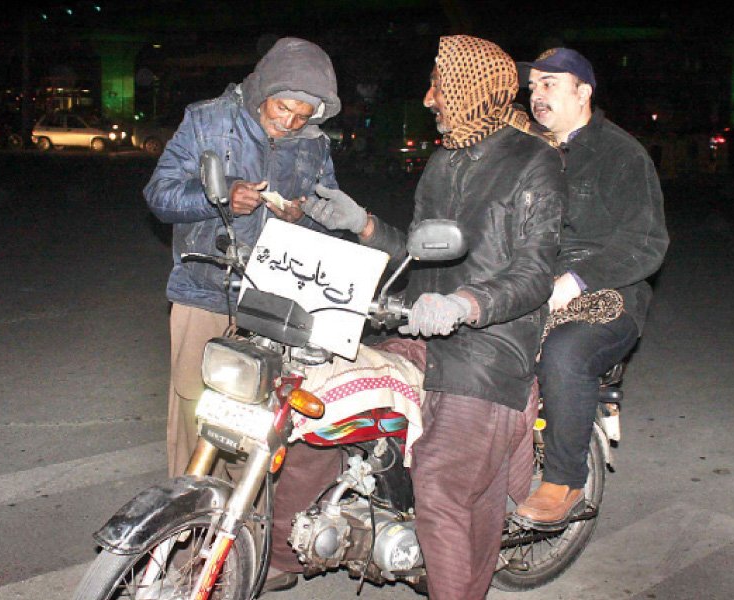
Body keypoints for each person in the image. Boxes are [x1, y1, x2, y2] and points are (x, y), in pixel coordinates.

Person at [266, 35, 567, 599]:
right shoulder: (443, 162)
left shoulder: (535, 162)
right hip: (421, 336)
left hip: (488, 353)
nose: (430, 99)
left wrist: (466, 305)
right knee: (310, 412)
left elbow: (532, 274)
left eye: (439, 86)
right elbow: (420, 256)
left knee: (443, 488)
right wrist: (362, 225)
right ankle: (286, 555)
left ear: (470, 90)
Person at [143, 37, 342, 478]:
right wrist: (219, 198)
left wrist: (304, 215)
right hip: (204, 291)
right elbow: (159, 195)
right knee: (196, 413)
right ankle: (186, 524)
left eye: (301, 116)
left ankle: (241, 531)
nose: (288, 123)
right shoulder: (207, 121)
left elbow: (328, 216)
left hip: (271, 302)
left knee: (258, 422)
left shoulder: (314, 144)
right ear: (263, 92)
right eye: (281, 109)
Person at [514, 48, 669, 527]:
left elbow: (647, 242)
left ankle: (564, 481)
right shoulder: (527, 149)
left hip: (610, 295)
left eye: (551, 84)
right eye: (534, 85)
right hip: (532, 287)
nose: (537, 95)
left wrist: (577, 280)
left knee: (566, 353)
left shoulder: (621, 154)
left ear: (584, 92)